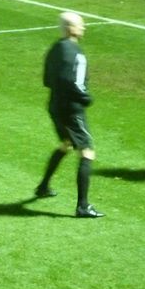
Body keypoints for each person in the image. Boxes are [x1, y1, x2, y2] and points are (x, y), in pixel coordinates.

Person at [35, 13, 105, 218]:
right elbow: (73, 82)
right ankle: (83, 206)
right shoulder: (76, 53)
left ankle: (43, 186)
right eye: (81, 25)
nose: (84, 28)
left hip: (55, 105)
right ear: (71, 28)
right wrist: (85, 98)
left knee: (65, 143)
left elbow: (47, 80)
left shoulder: (54, 49)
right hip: (72, 109)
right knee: (87, 152)